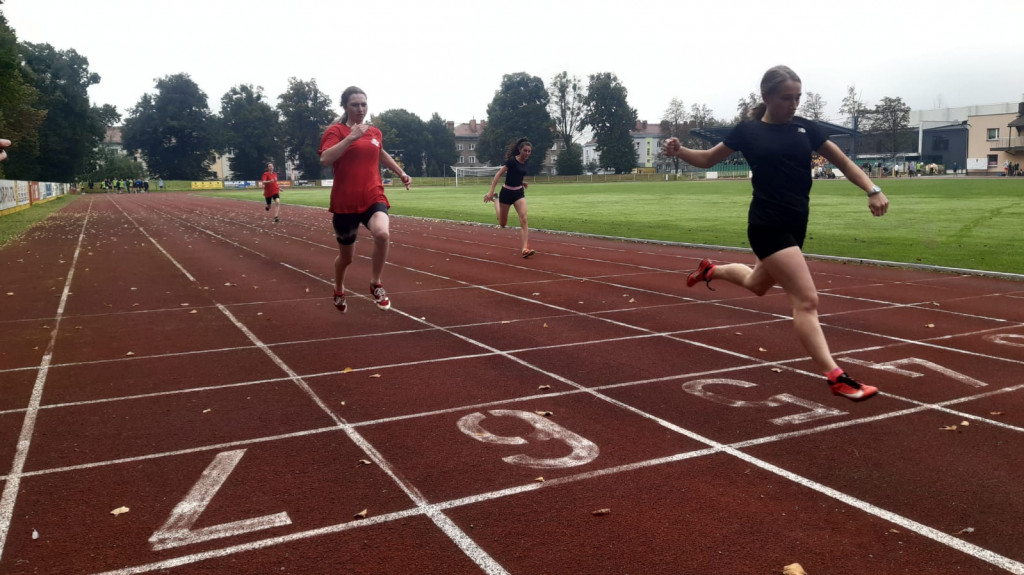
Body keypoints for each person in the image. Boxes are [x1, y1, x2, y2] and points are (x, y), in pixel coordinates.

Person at [661, 65, 889, 402]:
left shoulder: (805, 128)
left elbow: (843, 162)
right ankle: (836, 378)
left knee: (757, 284)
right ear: (766, 96)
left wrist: (872, 189)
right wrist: (680, 151)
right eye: (786, 98)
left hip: (797, 223)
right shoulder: (748, 131)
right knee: (806, 301)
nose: (793, 104)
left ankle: (711, 270)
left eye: (798, 97)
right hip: (767, 224)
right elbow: (708, 159)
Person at [318, 86, 411, 314]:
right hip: (345, 203)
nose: (360, 109)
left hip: (372, 196)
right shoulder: (336, 131)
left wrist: (401, 172)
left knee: (382, 234)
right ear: (345, 107)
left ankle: (375, 283)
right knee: (346, 258)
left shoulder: (374, 132)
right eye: (355, 105)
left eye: (363, 104)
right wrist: (351, 137)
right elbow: (325, 159)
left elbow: (380, 153)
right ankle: (339, 288)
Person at [484, 137, 536, 258]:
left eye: (529, 151)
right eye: (525, 150)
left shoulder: (526, 162)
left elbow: (516, 174)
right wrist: (491, 192)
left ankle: (524, 249)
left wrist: (521, 182)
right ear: (520, 150)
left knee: (524, 219)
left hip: (519, 193)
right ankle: (496, 199)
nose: (527, 153)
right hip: (506, 193)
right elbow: (498, 175)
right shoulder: (512, 161)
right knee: (503, 224)